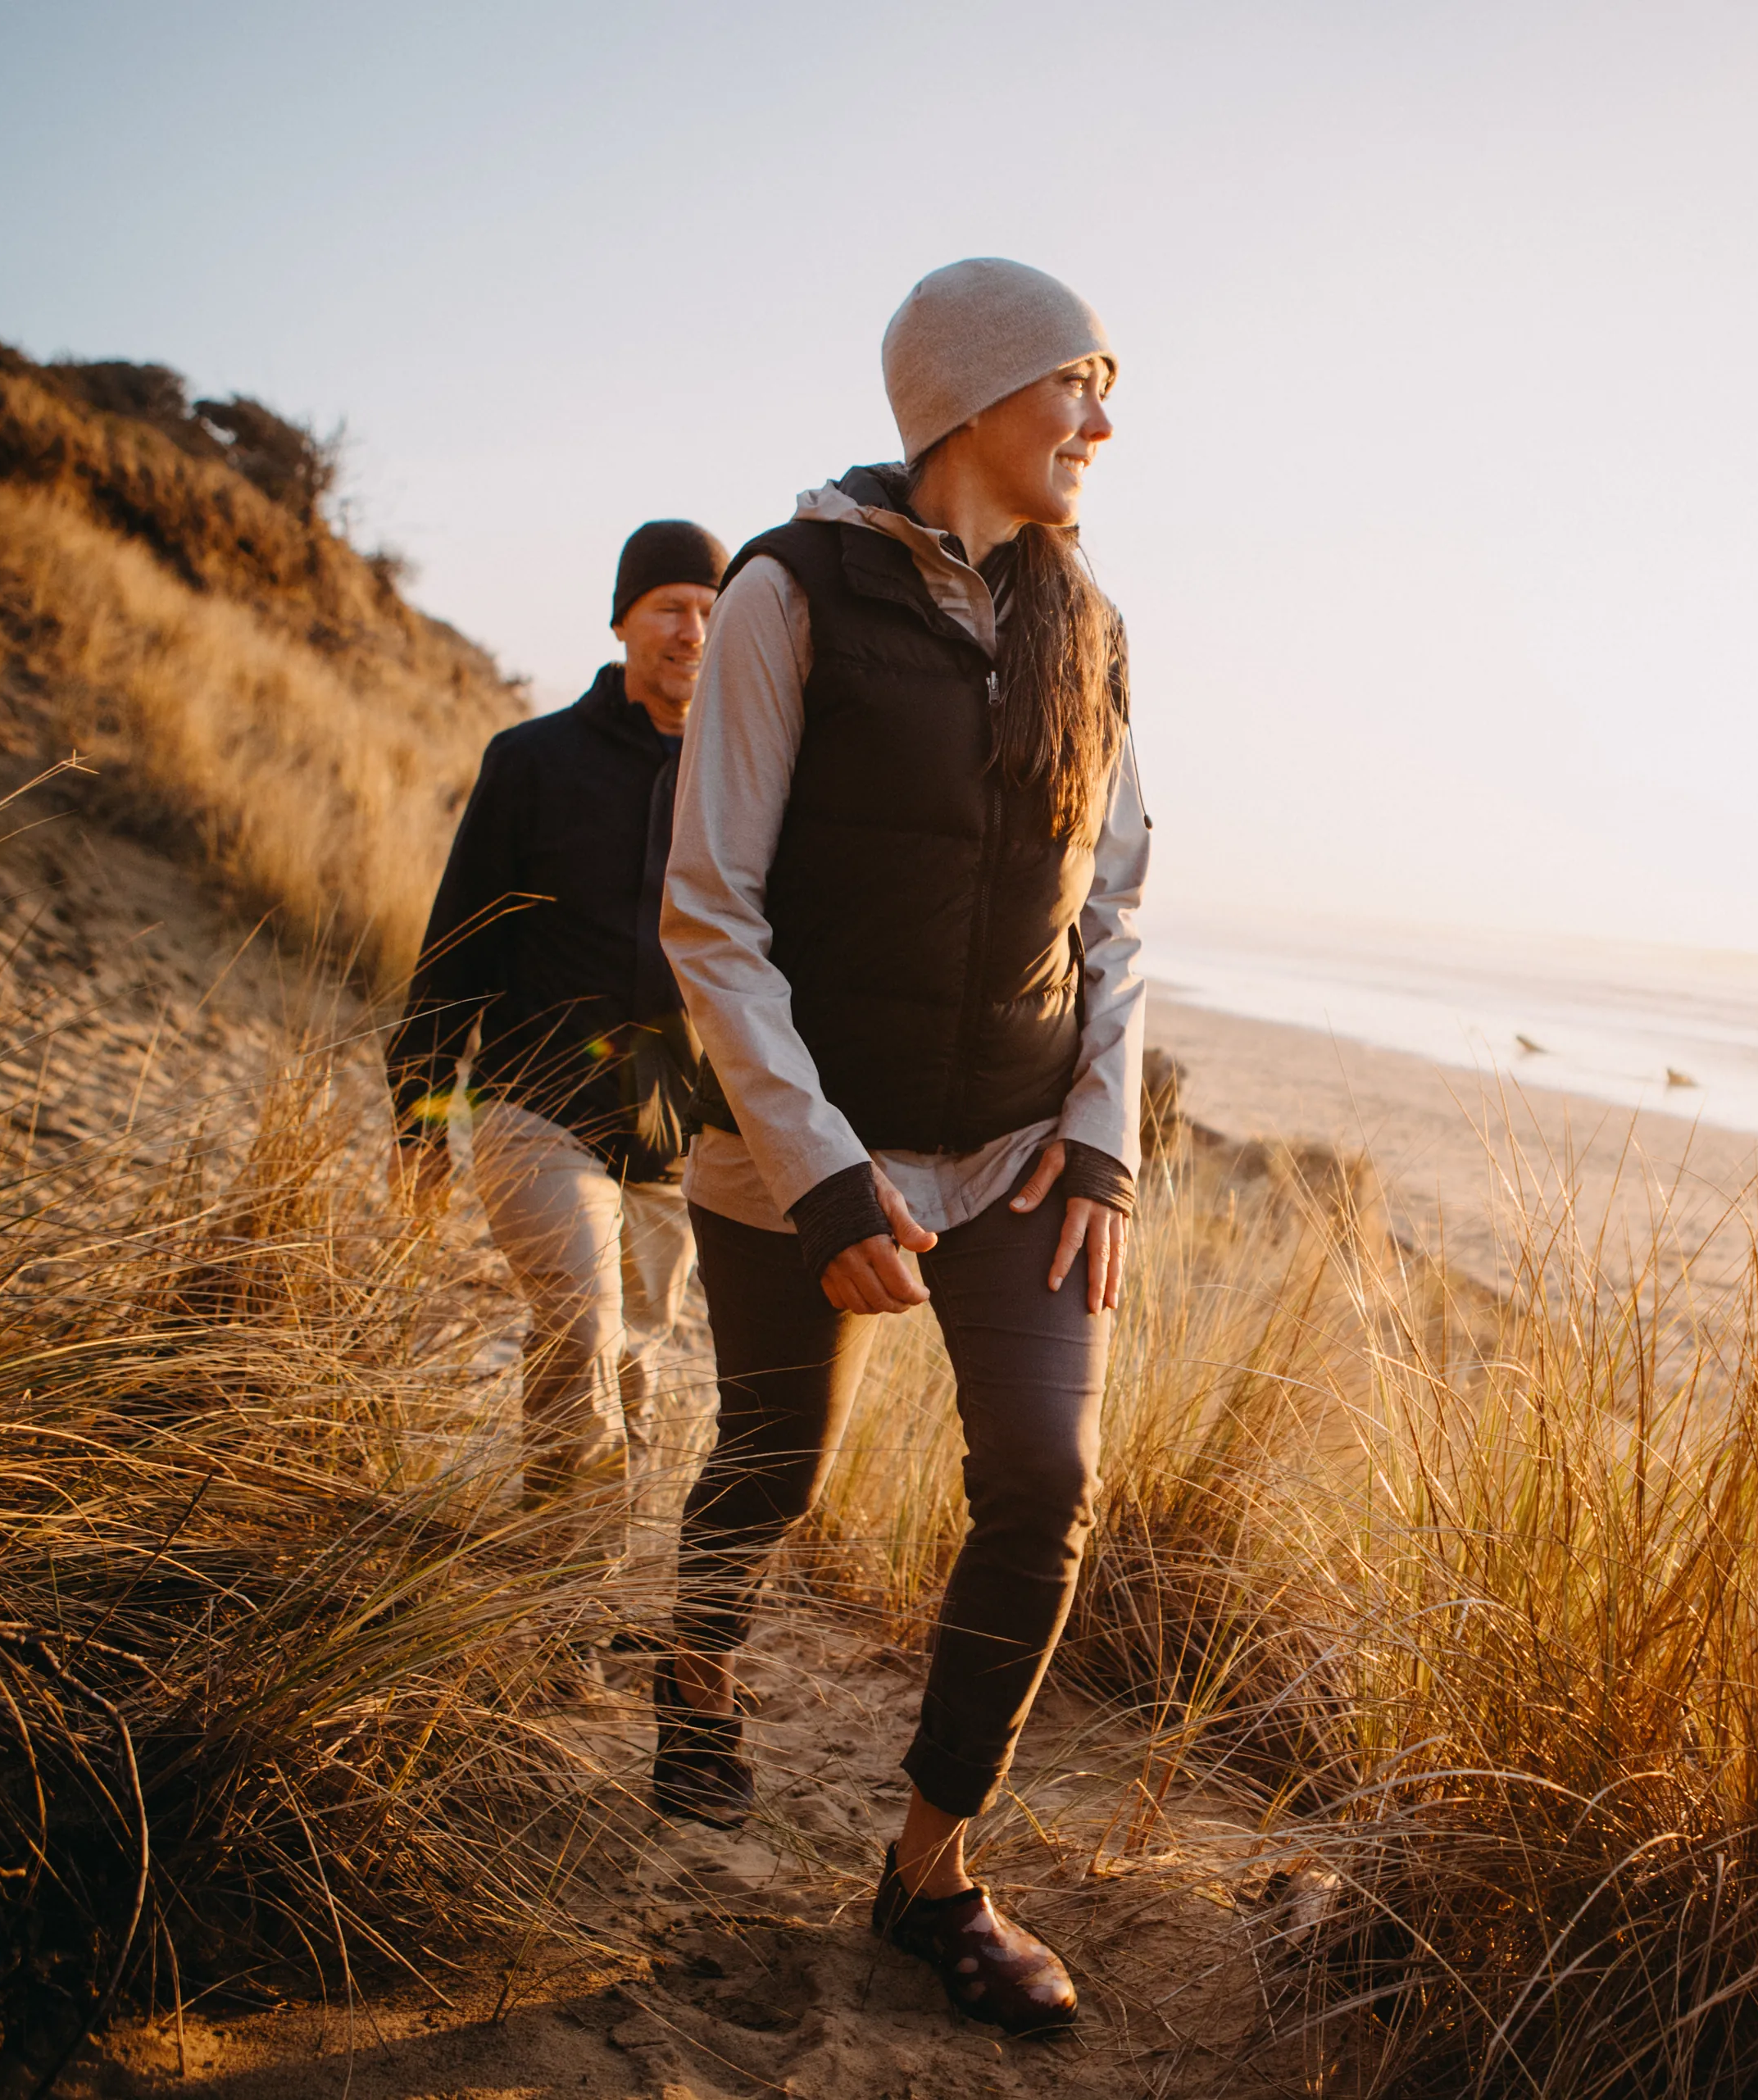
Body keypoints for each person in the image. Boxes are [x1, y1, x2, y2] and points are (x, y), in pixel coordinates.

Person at [657, 260, 1147, 2034]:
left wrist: (1100, 1142)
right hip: (807, 1143)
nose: (1102, 422)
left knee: (1044, 1478)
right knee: (775, 1460)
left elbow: (1117, 910)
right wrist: (822, 1171)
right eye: (1074, 385)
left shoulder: (1087, 627)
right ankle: (697, 1665)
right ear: (966, 399)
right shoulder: (786, 592)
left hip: (1018, 1147)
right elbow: (708, 916)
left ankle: (929, 1873)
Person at [388, 520, 728, 1510]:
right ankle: (567, 1602)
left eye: (712, 613)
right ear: (623, 618)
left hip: (668, 1118)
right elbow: (457, 949)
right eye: (671, 607)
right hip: (532, 1099)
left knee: (635, 1358)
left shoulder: (738, 785)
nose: (692, 632)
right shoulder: (533, 761)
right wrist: (419, 1118)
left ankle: (595, 1584)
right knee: (582, 1325)